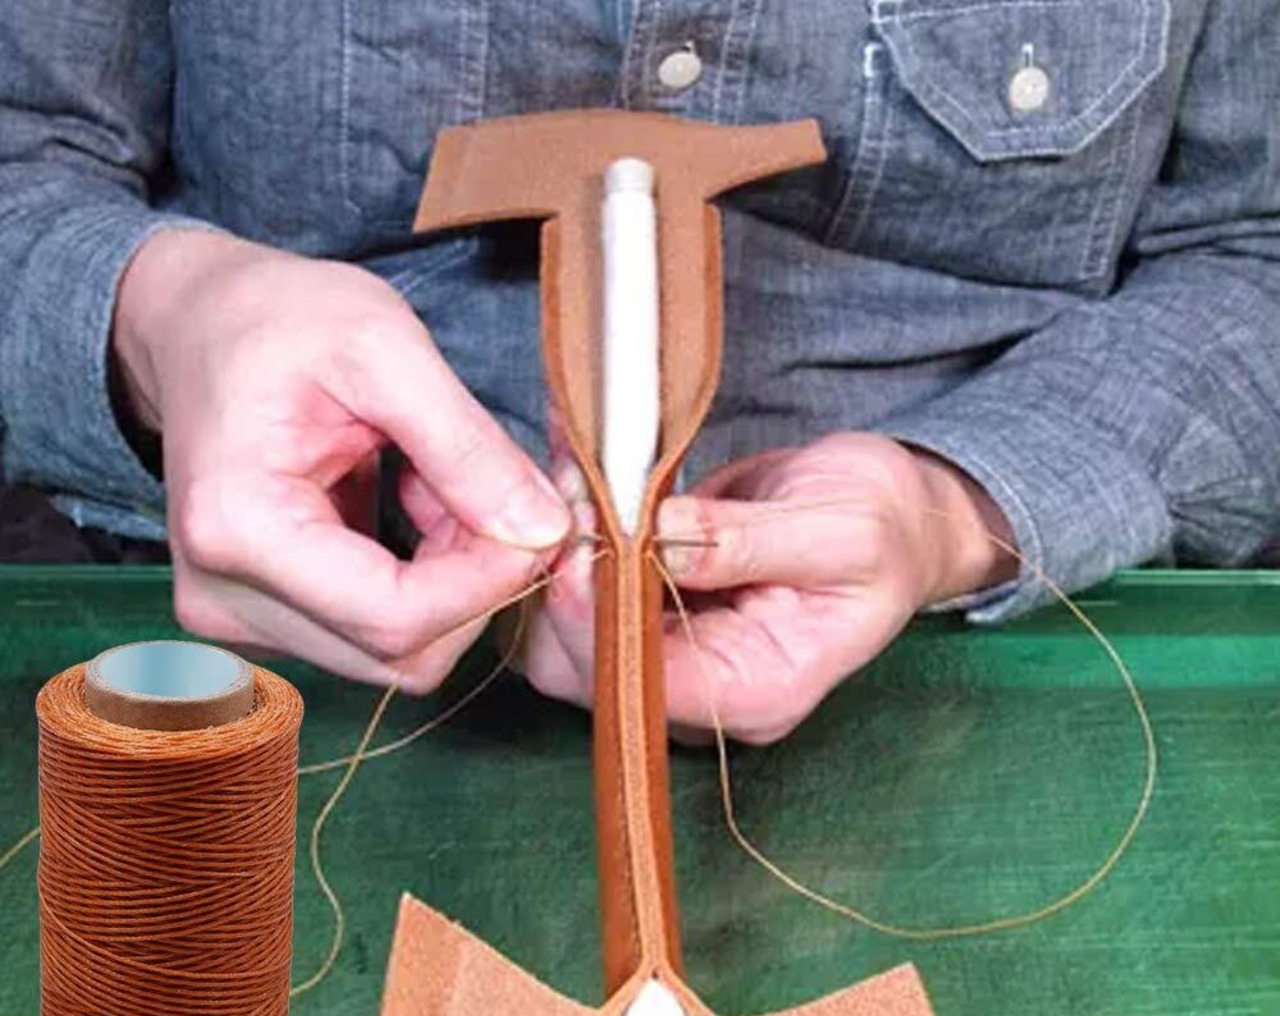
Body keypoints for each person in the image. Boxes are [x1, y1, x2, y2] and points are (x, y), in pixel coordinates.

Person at [1, 2, 1277, 745]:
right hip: (234, 660)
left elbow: (1252, 246)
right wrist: (160, 322)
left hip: (1004, 662)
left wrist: (955, 506)